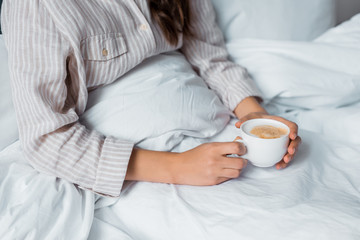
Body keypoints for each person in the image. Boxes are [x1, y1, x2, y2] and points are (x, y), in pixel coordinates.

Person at [1, 0, 301, 197]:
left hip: (218, 132)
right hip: (141, 167)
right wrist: (179, 167)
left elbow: (210, 58)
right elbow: (45, 136)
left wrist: (254, 116)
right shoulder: (36, 7)